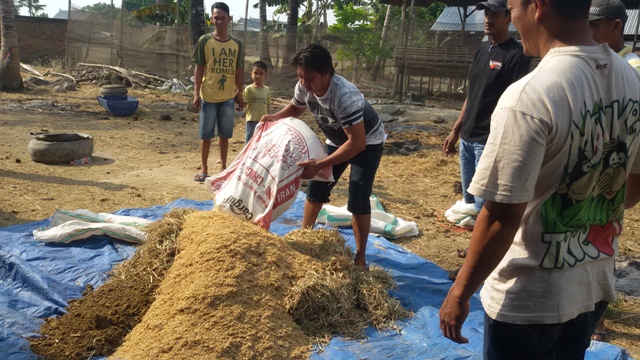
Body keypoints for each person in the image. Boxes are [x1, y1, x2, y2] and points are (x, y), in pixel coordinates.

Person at [439, 0, 640, 358]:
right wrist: (590, 207)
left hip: (531, 300)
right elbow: (634, 185)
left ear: (538, 7)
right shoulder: (631, 80)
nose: (513, 18)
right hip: (591, 287)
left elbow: (501, 216)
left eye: (513, 6)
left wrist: (460, 292)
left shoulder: (531, 95)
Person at [261, 44, 385, 267]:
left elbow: (357, 143)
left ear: (327, 73)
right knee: (316, 189)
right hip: (337, 140)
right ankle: (303, 238)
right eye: (300, 77)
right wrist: (274, 117)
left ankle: (360, 257)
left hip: (367, 143)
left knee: (358, 198)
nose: (304, 83)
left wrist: (319, 164)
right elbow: (296, 108)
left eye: (309, 78)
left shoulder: (344, 96)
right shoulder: (304, 86)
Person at [443, 0, 530, 223]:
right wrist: (456, 131)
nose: (488, 19)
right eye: (486, 14)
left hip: (489, 139)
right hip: (468, 137)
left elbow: (516, 104)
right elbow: (471, 95)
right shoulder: (482, 50)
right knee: (470, 200)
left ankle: (478, 252)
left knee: (485, 203)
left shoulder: (516, 55)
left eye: (495, 14)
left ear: (508, 18)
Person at [588, 0, 639, 342]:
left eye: (595, 25)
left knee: (599, 247)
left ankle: (596, 325)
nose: (588, 31)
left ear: (616, 26)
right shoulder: (605, 63)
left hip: (613, 173)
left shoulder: (632, 67)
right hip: (596, 169)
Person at [191, 2, 244, 181]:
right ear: (211, 19)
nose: (219, 21)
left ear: (229, 19)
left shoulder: (237, 44)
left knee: (225, 135)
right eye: (216, 18)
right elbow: (199, 68)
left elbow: (238, 70)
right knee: (205, 135)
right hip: (208, 97)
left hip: (228, 98)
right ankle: (204, 169)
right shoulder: (205, 41)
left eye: (223, 18)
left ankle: (223, 167)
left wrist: (240, 93)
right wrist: (196, 93)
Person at [590, 0, 640, 72]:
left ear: (616, 26)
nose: (586, 33)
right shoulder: (597, 63)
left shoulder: (633, 67)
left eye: (592, 26)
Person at [243, 60, 271, 143]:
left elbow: (268, 106)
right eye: (255, 73)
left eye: (261, 73)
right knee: (250, 142)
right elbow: (245, 103)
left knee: (261, 142)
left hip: (263, 121)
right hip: (252, 120)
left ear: (265, 75)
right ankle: (248, 156)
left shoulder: (267, 90)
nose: (258, 76)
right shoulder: (248, 89)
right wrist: (239, 103)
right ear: (251, 74)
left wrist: (269, 118)